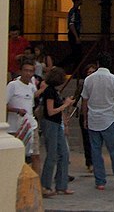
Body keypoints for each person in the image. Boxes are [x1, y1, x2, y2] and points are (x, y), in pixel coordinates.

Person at [80, 52, 114, 191]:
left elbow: (84, 101)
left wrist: (85, 117)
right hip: (109, 119)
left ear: (98, 64)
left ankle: (100, 181)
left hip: (93, 119)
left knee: (96, 151)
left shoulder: (89, 80)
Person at [39, 66, 75, 198]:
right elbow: (50, 111)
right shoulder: (49, 92)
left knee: (64, 154)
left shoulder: (54, 91)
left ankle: (61, 185)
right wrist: (65, 105)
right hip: (51, 124)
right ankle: (45, 185)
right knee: (52, 155)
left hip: (56, 124)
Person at [6, 58, 43, 174]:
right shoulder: (13, 85)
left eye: (31, 71)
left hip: (31, 126)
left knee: (35, 155)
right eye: (25, 70)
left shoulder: (31, 87)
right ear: (20, 71)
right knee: (17, 157)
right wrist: (16, 110)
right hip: (15, 127)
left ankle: (36, 185)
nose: (28, 73)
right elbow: (2, 105)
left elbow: (31, 105)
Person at [66, 0, 83, 67]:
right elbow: (71, 24)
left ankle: (76, 70)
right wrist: (76, 37)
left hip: (76, 33)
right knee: (76, 53)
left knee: (77, 54)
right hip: (74, 34)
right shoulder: (74, 11)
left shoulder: (77, 11)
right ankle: (61, 65)